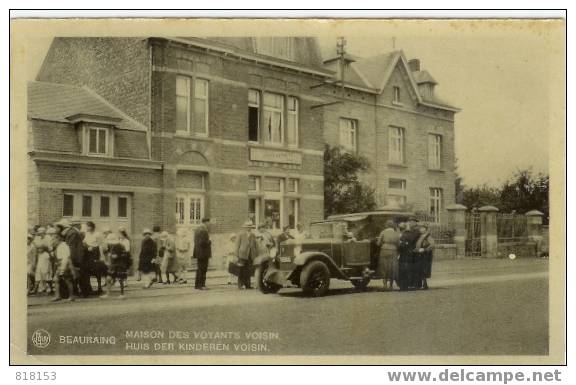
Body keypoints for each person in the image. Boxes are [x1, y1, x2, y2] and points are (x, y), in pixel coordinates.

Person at [56, 219, 89, 297]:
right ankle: (78, 292)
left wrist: (69, 258)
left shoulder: (71, 233)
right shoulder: (70, 233)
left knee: (77, 275)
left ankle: (83, 292)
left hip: (75, 257)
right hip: (75, 257)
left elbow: (71, 247)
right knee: (75, 275)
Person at [100, 234, 132, 299]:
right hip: (114, 265)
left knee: (120, 280)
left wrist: (114, 256)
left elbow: (122, 255)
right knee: (108, 279)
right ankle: (108, 294)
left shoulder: (119, 246)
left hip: (120, 265)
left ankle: (122, 294)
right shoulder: (113, 246)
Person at [50, 229, 76, 302]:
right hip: (60, 264)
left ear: (58, 239)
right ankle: (58, 295)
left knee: (67, 280)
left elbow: (65, 258)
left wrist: (62, 268)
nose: (53, 241)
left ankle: (71, 296)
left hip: (65, 264)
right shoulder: (59, 246)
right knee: (56, 280)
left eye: (54, 239)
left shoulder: (64, 246)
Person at [397, 217, 422, 291]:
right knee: (403, 269)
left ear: (415, 223)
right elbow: (401, 239)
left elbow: (412, 239)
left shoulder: (417, 231)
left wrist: (404, 239)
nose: (410, 223)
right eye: (409, 222)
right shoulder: (406, 231)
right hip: (404, 252)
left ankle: (415, 285)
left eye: (412, 222)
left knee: (412, 269)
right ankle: (403, 285)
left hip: (413, 253)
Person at [83, 221, 106, 295]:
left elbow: (100, 245)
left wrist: (101, 255)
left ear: (92, 227)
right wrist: (87, 246)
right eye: (87, 226)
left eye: (89, 226)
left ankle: (99, 287)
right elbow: (84, 242)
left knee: (97, 270)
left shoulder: (97, 234)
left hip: (95, 253)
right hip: (88, 253)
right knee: (88, 270)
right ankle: (90, 288)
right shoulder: (87, 234)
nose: (87, 228)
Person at [377, 220, 400, 290]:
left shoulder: (383, 232)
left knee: (384, 267)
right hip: (393, 250)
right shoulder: (396, 233)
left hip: (384, 250)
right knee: (392, 268)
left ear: (386, 225)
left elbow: (378, 243)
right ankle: (391, 286)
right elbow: (398, 243)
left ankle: (384, 286)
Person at [235, 221, 256, 290]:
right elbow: (237, 245)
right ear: (245, 227)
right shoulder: (240, 234)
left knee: (248, 270)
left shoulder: (253, 235)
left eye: (250, 227)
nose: (248, 228)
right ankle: (240, 285)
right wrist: (236, 254)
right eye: (247, 227)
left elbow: (254, 246)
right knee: (241, 270)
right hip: (242, 254)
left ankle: (248, 285)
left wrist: (254, 255)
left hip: (250, 255)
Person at [193, 218, 212, 290]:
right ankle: (202, 285)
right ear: (206, 222)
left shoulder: (197, 229)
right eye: (209, 223)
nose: (209, 224)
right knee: (203, 269)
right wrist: (209, 242)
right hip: (203, 253)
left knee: (199, 268)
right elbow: (202, 242)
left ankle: (197, 285)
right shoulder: (204, 230)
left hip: (198, 252)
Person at [33, 227, 53, 294]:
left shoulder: (48, 238)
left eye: (42, 233)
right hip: (40, 255)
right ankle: (40, 288)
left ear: (44, 232)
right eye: (39, 233)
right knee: (39, 272)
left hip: (46, 254)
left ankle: (50, 288)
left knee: (46, 272)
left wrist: (44, 248)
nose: (40, 234)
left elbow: (50, 247)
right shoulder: (38, 238)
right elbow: (36, 245)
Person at [416, 224, 435, 290]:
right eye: (420, 228)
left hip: (426, 255)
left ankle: (424, 284)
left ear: (425, 229)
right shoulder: (420, 236)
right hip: (420, 254)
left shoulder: (428, 236)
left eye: (422, 228)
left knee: (424, 269)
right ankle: (423, 284)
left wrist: (425, 249)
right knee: (420, 269)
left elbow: (432, 245)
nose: (421, 229)